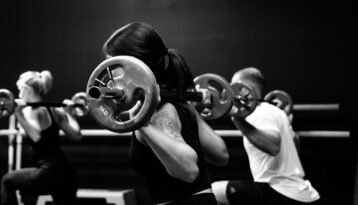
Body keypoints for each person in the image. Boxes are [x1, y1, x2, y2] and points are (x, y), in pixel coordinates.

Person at [102, 22, 229, 205]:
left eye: (115, 68)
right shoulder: (182, 105)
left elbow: (189, 170)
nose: (112, 79)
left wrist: (140, 123)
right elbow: (221, 154)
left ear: (137, 65)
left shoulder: (156, 115)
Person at [211, 67, 321, 205]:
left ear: (243, 89)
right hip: (301, 193)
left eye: (233, 85)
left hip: (280, 191)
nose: (230, 91)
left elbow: (273, 146)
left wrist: (238, 120)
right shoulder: (276, 111)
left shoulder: (259, 113)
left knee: (213, 192)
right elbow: (296, 144)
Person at [0, 70, 82, 205]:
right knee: (26, 188)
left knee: (7, 181)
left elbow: (36, 136)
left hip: (48, 172)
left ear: (28, 90)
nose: (19, 95)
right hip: (66, 174)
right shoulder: (56, 110)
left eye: (20, 90)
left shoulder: (30, 111)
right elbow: (77, 135)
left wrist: (18, 114)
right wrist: (69, 114)